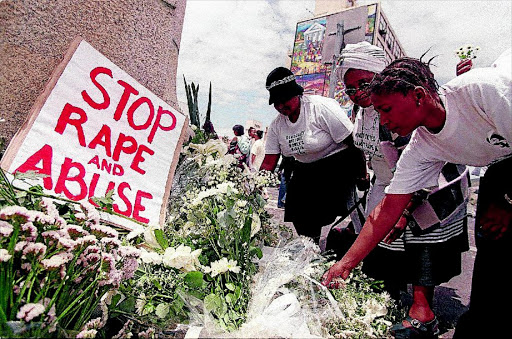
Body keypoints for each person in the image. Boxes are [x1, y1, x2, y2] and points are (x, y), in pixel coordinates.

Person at [322, 49, 512, 338]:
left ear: (419, 96)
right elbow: (387, 208)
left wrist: (507, 200)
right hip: (500, 171)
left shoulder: (484, 91)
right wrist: (344, 265)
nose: (383, 122)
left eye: (386, 109)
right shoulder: (422, 146)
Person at [334, 41, 470, 337]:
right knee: (382, 239)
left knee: (423, 241)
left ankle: (423, 312)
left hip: (432, 183)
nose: (359, 93)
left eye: (363, 84)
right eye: (351, 89)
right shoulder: (362, 114)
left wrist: (406, 209)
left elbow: (420, 164)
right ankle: (391, 297)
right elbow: (365, 151)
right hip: (390, 183)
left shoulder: (397, 107)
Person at [260, 66, 366, 244]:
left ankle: (339, 239)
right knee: (298, 211)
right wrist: (255, 187)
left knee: (325, 212)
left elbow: (353, 144)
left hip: (337, 163)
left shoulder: (321, 108)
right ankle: (312, 246)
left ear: (297, 94)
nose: (281, 106)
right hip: (304, 168)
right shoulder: (277, 125)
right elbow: (269, 162)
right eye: (276, 103)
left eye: (285, 100)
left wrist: (362, 174)